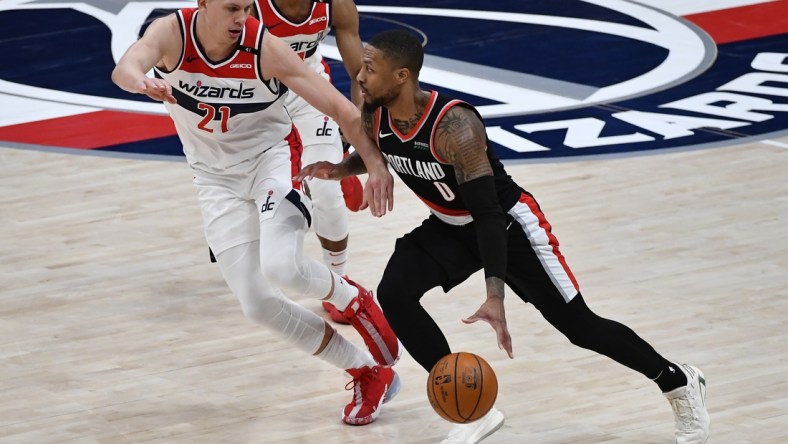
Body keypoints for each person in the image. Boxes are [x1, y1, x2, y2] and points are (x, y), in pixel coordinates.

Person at [296, 29, 710, 443]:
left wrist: (495, 294)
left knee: (580, 327)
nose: (361, 75)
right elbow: (384, 149)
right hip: (449, 225)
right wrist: (341, 169)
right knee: (396, 292)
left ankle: (677, 381)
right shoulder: (375, 110)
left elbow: (488, 213)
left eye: (370, 68)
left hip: (508, 226)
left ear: (402, 75)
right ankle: (472, 409)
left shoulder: (455, 126)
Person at [110, 0, 402, 426]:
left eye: (246, 8)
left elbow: (342, 108)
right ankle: (367, 372)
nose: (240, 19)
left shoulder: (263, 46)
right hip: (213, 181)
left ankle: (352, 298)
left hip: (270, 161)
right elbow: (126, 66)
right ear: (203, 4)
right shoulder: (172, 33)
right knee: (258, 304)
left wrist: (375, 166)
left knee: (282, 266)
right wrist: (140, 82)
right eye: (231, 9)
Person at [252, 0, 365, 325]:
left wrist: (356, 126)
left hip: (309, 91)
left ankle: (339, 283)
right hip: (259, 99)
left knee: (327, 193)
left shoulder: (335, 5)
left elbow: (359, 73)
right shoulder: (248, 8)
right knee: (273, 200)